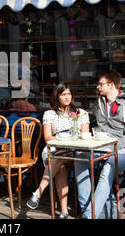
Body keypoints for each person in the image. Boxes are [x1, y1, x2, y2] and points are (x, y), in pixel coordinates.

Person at [74, 70, 125, 219]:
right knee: (80, 156)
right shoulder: (99, 103)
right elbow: (95, 124)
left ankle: (90, 215)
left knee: (108, 168)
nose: (98, 87)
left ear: (111, 85)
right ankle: (86, 209)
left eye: (101, 84)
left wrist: (112, 147)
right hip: (101, 146)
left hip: (123, 151)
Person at [26, 83, 89, 219]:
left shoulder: (81, 113)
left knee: (57, 159)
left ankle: (38, 193)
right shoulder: (50, 114)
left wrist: (72, 140)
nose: (67, 97)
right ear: (57, 96)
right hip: (55, 147)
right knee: (59, 164)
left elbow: (85, 135)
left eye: (68, 94)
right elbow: (48, 138)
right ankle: (64, 212)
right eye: (63, 94)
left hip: (75, 149)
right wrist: (62, 140)